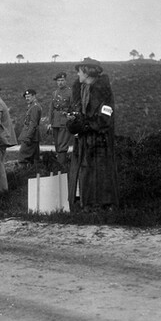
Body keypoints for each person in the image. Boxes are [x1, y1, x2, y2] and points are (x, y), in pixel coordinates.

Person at [66, 57, 119, 210]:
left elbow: (105, 118)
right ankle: (86, 204)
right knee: (84, 172)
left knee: (101, 173)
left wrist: (86, 124)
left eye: (80, 71)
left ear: (87, 73)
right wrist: (73, 122)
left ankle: (103, 206)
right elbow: (74, 111)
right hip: (83, 141)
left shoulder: (105, 93)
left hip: (99, 142)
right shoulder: (80, 91)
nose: (78, 75)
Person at [47, 72, 73, 171]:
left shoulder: (70, 92)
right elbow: (51, 108)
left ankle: (61, 167)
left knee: (62, 145)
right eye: (58, 81)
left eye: (62, 80)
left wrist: (70, 118)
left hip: (65, 120)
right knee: (57, 144)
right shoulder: (54, 93)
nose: (60, 83)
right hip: (55, 122)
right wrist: (50, 122)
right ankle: (60, 166)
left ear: (65, 80)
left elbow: (73, 107)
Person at [18, 88, 42, 164]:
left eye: (29, 96)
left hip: (30, 136)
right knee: (34, 159)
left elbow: (33, 123)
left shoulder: (34, 107)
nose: (27, 98)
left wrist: (28, 137)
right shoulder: (32, 106)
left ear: (34, 96)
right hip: (32, 136)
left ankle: (23, 175)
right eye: (26, 97)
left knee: (23, 158)